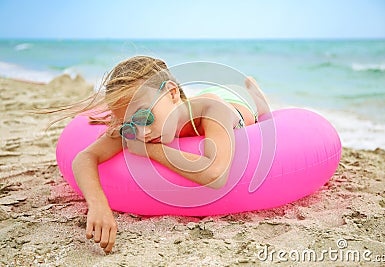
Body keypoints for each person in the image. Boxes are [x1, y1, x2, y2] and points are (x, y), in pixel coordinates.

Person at [50, 55, 270, 253]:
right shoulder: (136, 127)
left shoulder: (213, 110)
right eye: (129, 124)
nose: (142, 133)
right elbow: (84, 157)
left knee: (263, 115)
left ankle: (257, 96)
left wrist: (152, 151)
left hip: (236, 107)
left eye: (145, 116)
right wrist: (98, 206)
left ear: (172, 92)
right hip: (183, 105)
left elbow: (216, 175)